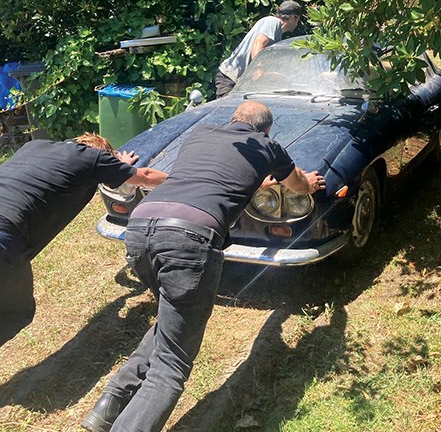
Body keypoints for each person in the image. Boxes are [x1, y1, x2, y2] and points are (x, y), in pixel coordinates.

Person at [81, 101, 325, 432]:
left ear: (233, 120)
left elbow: (209, 177)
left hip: (140, 229)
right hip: (188, 238)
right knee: (172, 362)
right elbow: (296, 183)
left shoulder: (201, 133)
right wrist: (309, 183)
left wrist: (257, 184)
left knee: (173, 321)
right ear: (266, 130)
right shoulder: (268, 147)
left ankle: (108, 407)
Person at [0, 134, 168, 429]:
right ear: (104, 154)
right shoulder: (92, 158)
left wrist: (112, 165)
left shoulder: (36, 146)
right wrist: (187, 181)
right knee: (10, 315)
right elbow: (143, 176)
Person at [213, 0, 302, 98]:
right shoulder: (273, 22)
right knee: (225, 111)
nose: (297, 24)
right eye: (298, 20)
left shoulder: (277, 34)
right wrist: (258, 69)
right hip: (230, 78)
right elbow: (258, 43)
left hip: (242, 83)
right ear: (294, 17)